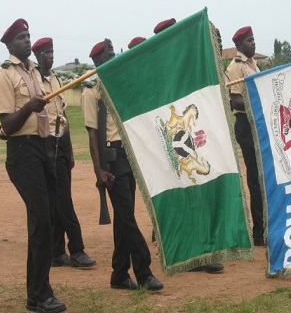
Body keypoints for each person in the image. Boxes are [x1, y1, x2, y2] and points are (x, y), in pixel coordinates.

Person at [0, 19, 66, 312]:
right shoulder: (3, 77)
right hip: (22, 153)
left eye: (28, 36)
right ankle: (38, 294)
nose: (27, 40)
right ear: (10, 45)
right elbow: (7, 126)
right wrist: (29, 107)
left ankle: (38, 291)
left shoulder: (35, 72)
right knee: (42, 220)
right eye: (21, 37)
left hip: (44, 147)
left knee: (46, 219)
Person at [81, 39, 164, 291]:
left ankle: (118, 274)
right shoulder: (90, 90)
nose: (114, 56)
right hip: (110, 160)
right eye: (108, 54)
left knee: (122, 218)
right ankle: (144, 271)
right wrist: (98, 170)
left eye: (114, 52)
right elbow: (92, 133)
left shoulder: (117, 82)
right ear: (97, 61)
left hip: (126, 156)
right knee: (127, 218)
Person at [152, 19, 225, 274]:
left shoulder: (182, 66)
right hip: (167, 142)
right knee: (178, 193)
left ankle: (197, 250)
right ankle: (184, 250)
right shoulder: (156, 69)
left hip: (187, 139)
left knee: (194, 191)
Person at [31, 37, 96, 268]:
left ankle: (57, 252)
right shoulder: (33, 81)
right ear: (37, 55)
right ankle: (76, 250)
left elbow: (63, 117)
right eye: (47, 53)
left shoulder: (57, 80)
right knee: (61, 201)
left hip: (61, 144)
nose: (51, 56)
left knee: (60, 199)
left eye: (52, 52)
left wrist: (69, 151)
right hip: (44, 145)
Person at [225, 26, 265, 246]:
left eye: (253, 39)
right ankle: (258, 232)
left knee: (263, 176)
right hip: (245, 124)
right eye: (249, 41)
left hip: (257, 123)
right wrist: (260, 102)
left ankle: (265, 227)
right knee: (255, 178)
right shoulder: (235, 68)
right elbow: (235, 100)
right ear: (239, 46)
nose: (253, 43)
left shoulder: (253, 64)